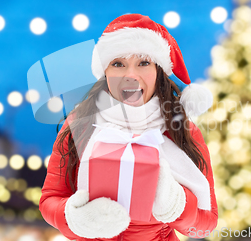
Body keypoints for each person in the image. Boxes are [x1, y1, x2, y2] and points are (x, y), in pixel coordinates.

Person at [39, 13, 218, 241]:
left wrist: (176, 203)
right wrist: (74, 217)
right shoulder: (80, 123)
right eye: (118, 64)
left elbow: (206, 224)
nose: (130, 75)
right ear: (106, 72)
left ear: (159, 71)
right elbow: (50, 199)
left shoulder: (183, 129)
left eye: (143, 62)